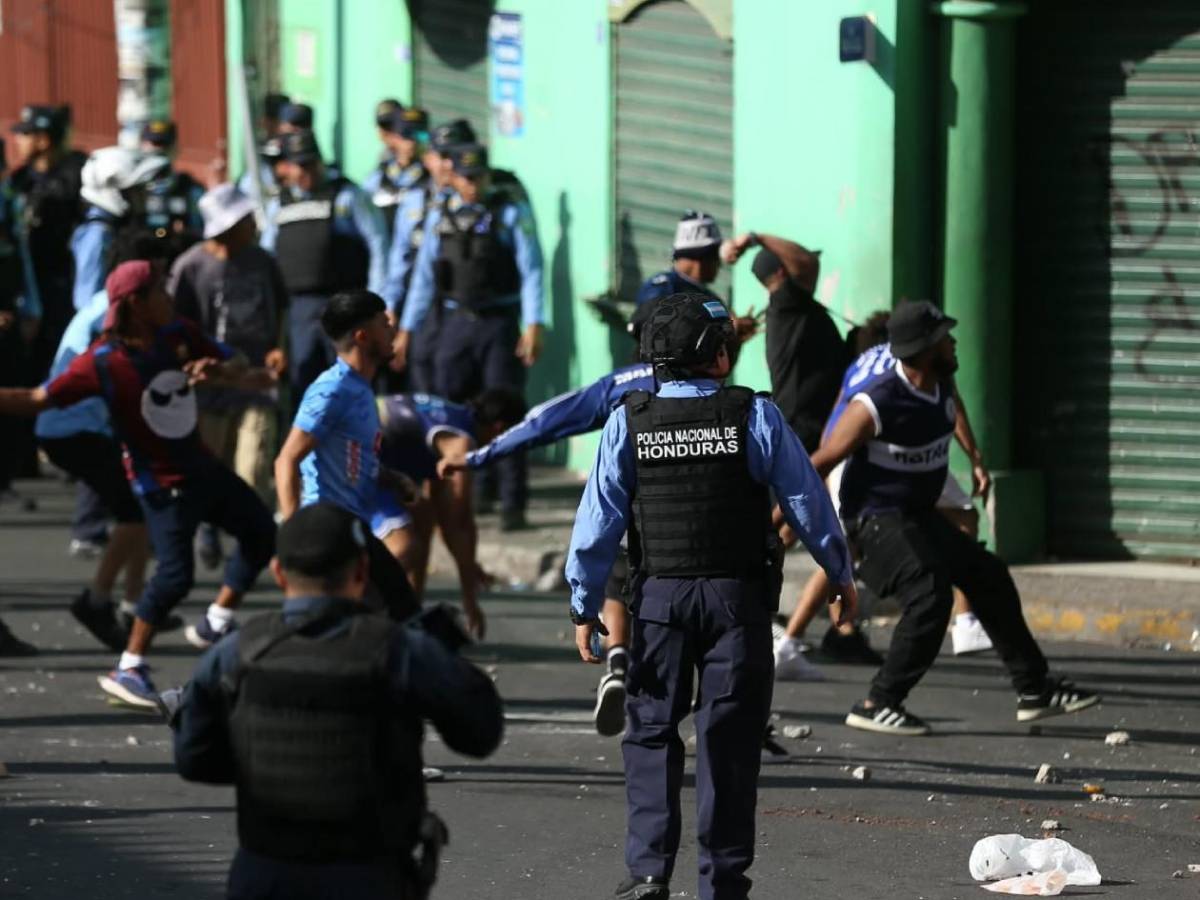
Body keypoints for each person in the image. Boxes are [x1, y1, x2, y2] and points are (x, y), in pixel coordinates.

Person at [565, 293, 856, 900]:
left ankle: (648, 875)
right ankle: (722, 884)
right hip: (737, 603)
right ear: (715, 355)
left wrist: (584, 602)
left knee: (650, 734)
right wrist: (840, 573)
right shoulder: (754, 415)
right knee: (727, 740)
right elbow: (807, 501)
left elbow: (599, 520)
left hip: (659, 603)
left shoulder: (630, 418)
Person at [172, 501, 504, 900]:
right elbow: (480, 733)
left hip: (265, 874)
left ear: (279, 573)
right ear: (362, 573)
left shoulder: (236, 652)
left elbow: (194, 757)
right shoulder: (398, 651)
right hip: (368, 875)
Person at [810, 300, 1100, 735]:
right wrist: (780, 520)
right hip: (872, 519)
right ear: (927, 347)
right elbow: (821, 459)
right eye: (945, 336)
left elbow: (953, 407)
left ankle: (1035, 688)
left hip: (914, 512)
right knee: (929, 596)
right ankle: (878, 701)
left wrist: (976, 457)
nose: (954, 341)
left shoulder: (939, 379)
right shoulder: (879, 401)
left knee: (989, 575)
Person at [0, 260, 278, 707]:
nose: (170, 299)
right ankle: (129, 668)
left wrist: (223, 371)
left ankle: (216, 621)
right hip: (160, 482)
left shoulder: (178, 334)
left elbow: (235, 361)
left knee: (261, 532)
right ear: (135, 303)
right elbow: (37, 399)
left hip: (200, 466)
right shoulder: (102, 362)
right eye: (161, 293)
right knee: (174, 578)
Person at [400, 142, 544, 532]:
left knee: (508, 412)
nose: (473, 184)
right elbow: (424, 280)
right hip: (454, 324)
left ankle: (513, 500)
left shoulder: (508, 213)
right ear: (454, 177)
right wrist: (407, 330)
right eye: (466, 177)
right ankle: (473, 490)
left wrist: (534, 323)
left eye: (478, 176)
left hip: (498, 322)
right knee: (455, 411)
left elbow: (531, 268)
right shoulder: (440, 216)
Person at [273, 290, 421, 623]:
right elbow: (286, 461)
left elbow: (349, 456)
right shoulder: (332, 390)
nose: (393, 330)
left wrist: (392, 478)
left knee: (388, 615)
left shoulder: (360, 388)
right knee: (396, 614)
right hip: (327, 528)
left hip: (351, 525)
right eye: (385, 325)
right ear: (362, 336)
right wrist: (294, 536)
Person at [171, 183, 289, 575]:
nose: (254, 225)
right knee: (211, 464)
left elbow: (281, 309)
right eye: (245, 220)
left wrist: (278, 347)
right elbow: (176, 328)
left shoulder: (263, 261)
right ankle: (208, 527)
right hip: (211, 387)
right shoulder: (190, 268)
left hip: (256, 382)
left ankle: (248, 545)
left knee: (253, 466)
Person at [371, 388, 523, 636]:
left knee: (423, 516)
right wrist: (470, 602)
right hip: (357, 455)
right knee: (406, 546)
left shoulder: (453, 417)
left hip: (367, 450)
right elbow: (458, 523)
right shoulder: (461, 444)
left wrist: (469, 564)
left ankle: (408, 617)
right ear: (500, 429)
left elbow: (443, 514)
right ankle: (356, 611)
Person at [261, 130, 388, 404]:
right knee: (304, 382)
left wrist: (375, 302)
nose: (305, 172)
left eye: (310, 164)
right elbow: (267, 257)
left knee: (350, 381)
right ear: (287, 167)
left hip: (342, 304)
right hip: (298, 309)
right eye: (299, 166)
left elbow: (378, 244)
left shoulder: (347, 196)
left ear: (320, 161)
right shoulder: (278, 204)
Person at [724, 231, 849, 451]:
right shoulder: (787, 304)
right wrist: (756, 238)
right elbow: (806, 263)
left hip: (809, 429)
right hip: (804, 432)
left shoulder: (790, 310)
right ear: (782, 272)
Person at [387, 118, 476, 393]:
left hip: (468, 312)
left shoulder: (489, 203)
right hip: (424, 315)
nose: (450, 165)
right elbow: (400, 266)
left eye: (457, 156)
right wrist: (391, 309)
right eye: (443, 157)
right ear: (429, 159)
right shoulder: (416, 201)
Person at [6, 104, 85, 357]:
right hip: (28, 284)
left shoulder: (77, 175)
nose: (17, 141)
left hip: (63, 283)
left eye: (25, 134)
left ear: (43, 139)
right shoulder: (19, 180)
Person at [70, 146, 174, 313]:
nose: (144, 198)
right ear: (116, 192)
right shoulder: (98, 235)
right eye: (137, 191)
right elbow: (87, 304)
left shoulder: (115, 230)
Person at [364, 106, 428, 241]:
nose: (412, 142)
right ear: (393, 137)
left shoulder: (432, 179)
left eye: (420, 135)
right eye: (406, 134)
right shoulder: (378, 178)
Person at [137, 119, 206, 244]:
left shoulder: (190, 189)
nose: (158, 149)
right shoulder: (132, 187)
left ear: (175, 148)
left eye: (164, 144)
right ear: (141, 146)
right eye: (153, 143)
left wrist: (185, 233)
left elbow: (202, 232)